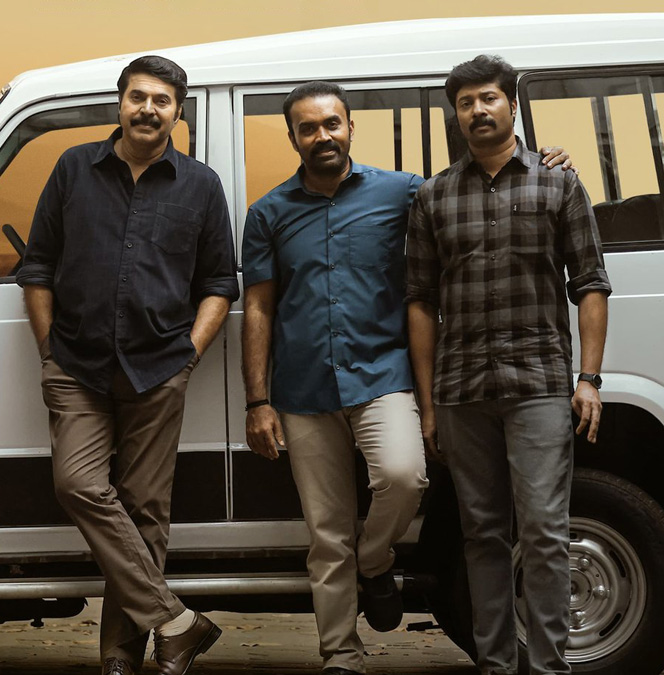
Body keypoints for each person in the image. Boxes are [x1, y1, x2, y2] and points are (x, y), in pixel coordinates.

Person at [242, 81, 572, 675]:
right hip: (303, 387)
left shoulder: (404, 192)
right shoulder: (268, 213)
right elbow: (260, 307)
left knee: (404, 476)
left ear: (350, 127)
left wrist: (543, 160)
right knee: (326, 532)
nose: (322, 136)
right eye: (308, 128)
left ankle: (375, 560)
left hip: (383, 373)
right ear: (292, 137)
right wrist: (257, 399)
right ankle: (342, 655)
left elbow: (475, 188)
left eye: (332, 123)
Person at [16, 55, 239, 675]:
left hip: (159, 368)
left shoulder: (201, 185)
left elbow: (219, 283)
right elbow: (37, 267)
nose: (148, 109)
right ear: (120, 103)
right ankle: (176, 621)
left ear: (177, 111)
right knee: (77, 484)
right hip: (76, 365)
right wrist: (48, 351)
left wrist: (188, 354)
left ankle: (121, 657)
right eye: (138, 96)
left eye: (161, 100)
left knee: (145, 511)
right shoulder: (73, 168)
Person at [406, 55, 611, 675]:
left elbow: (591, 283)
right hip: (461, 390)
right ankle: (494, 665)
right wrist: (427, 406)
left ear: (511, 105)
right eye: (466, 102)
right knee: (482, 534)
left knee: (545, 530)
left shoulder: (558, 182)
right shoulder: (434, 195)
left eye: (489, 98)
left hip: (540, 385)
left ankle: (549, 667)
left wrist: (589, 379)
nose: (478, 110)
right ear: (456, 113)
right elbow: (421, 303)